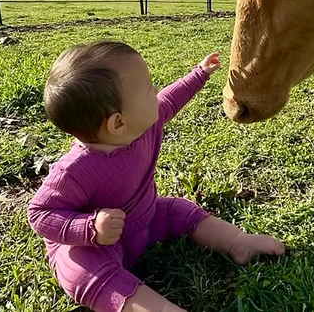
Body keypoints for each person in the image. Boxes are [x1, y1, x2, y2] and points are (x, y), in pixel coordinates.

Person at [27, 40, 284, 311]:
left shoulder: (142, 125)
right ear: (118, 123)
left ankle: (237, 241)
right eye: (149, 88)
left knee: (179, 210)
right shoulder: (75, 169)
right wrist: (91, 228)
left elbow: (171, 98)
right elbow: (40, 213)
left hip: (145, 217)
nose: (156, 91)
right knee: (79, 270)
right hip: (97, 246)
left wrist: (199, 73)